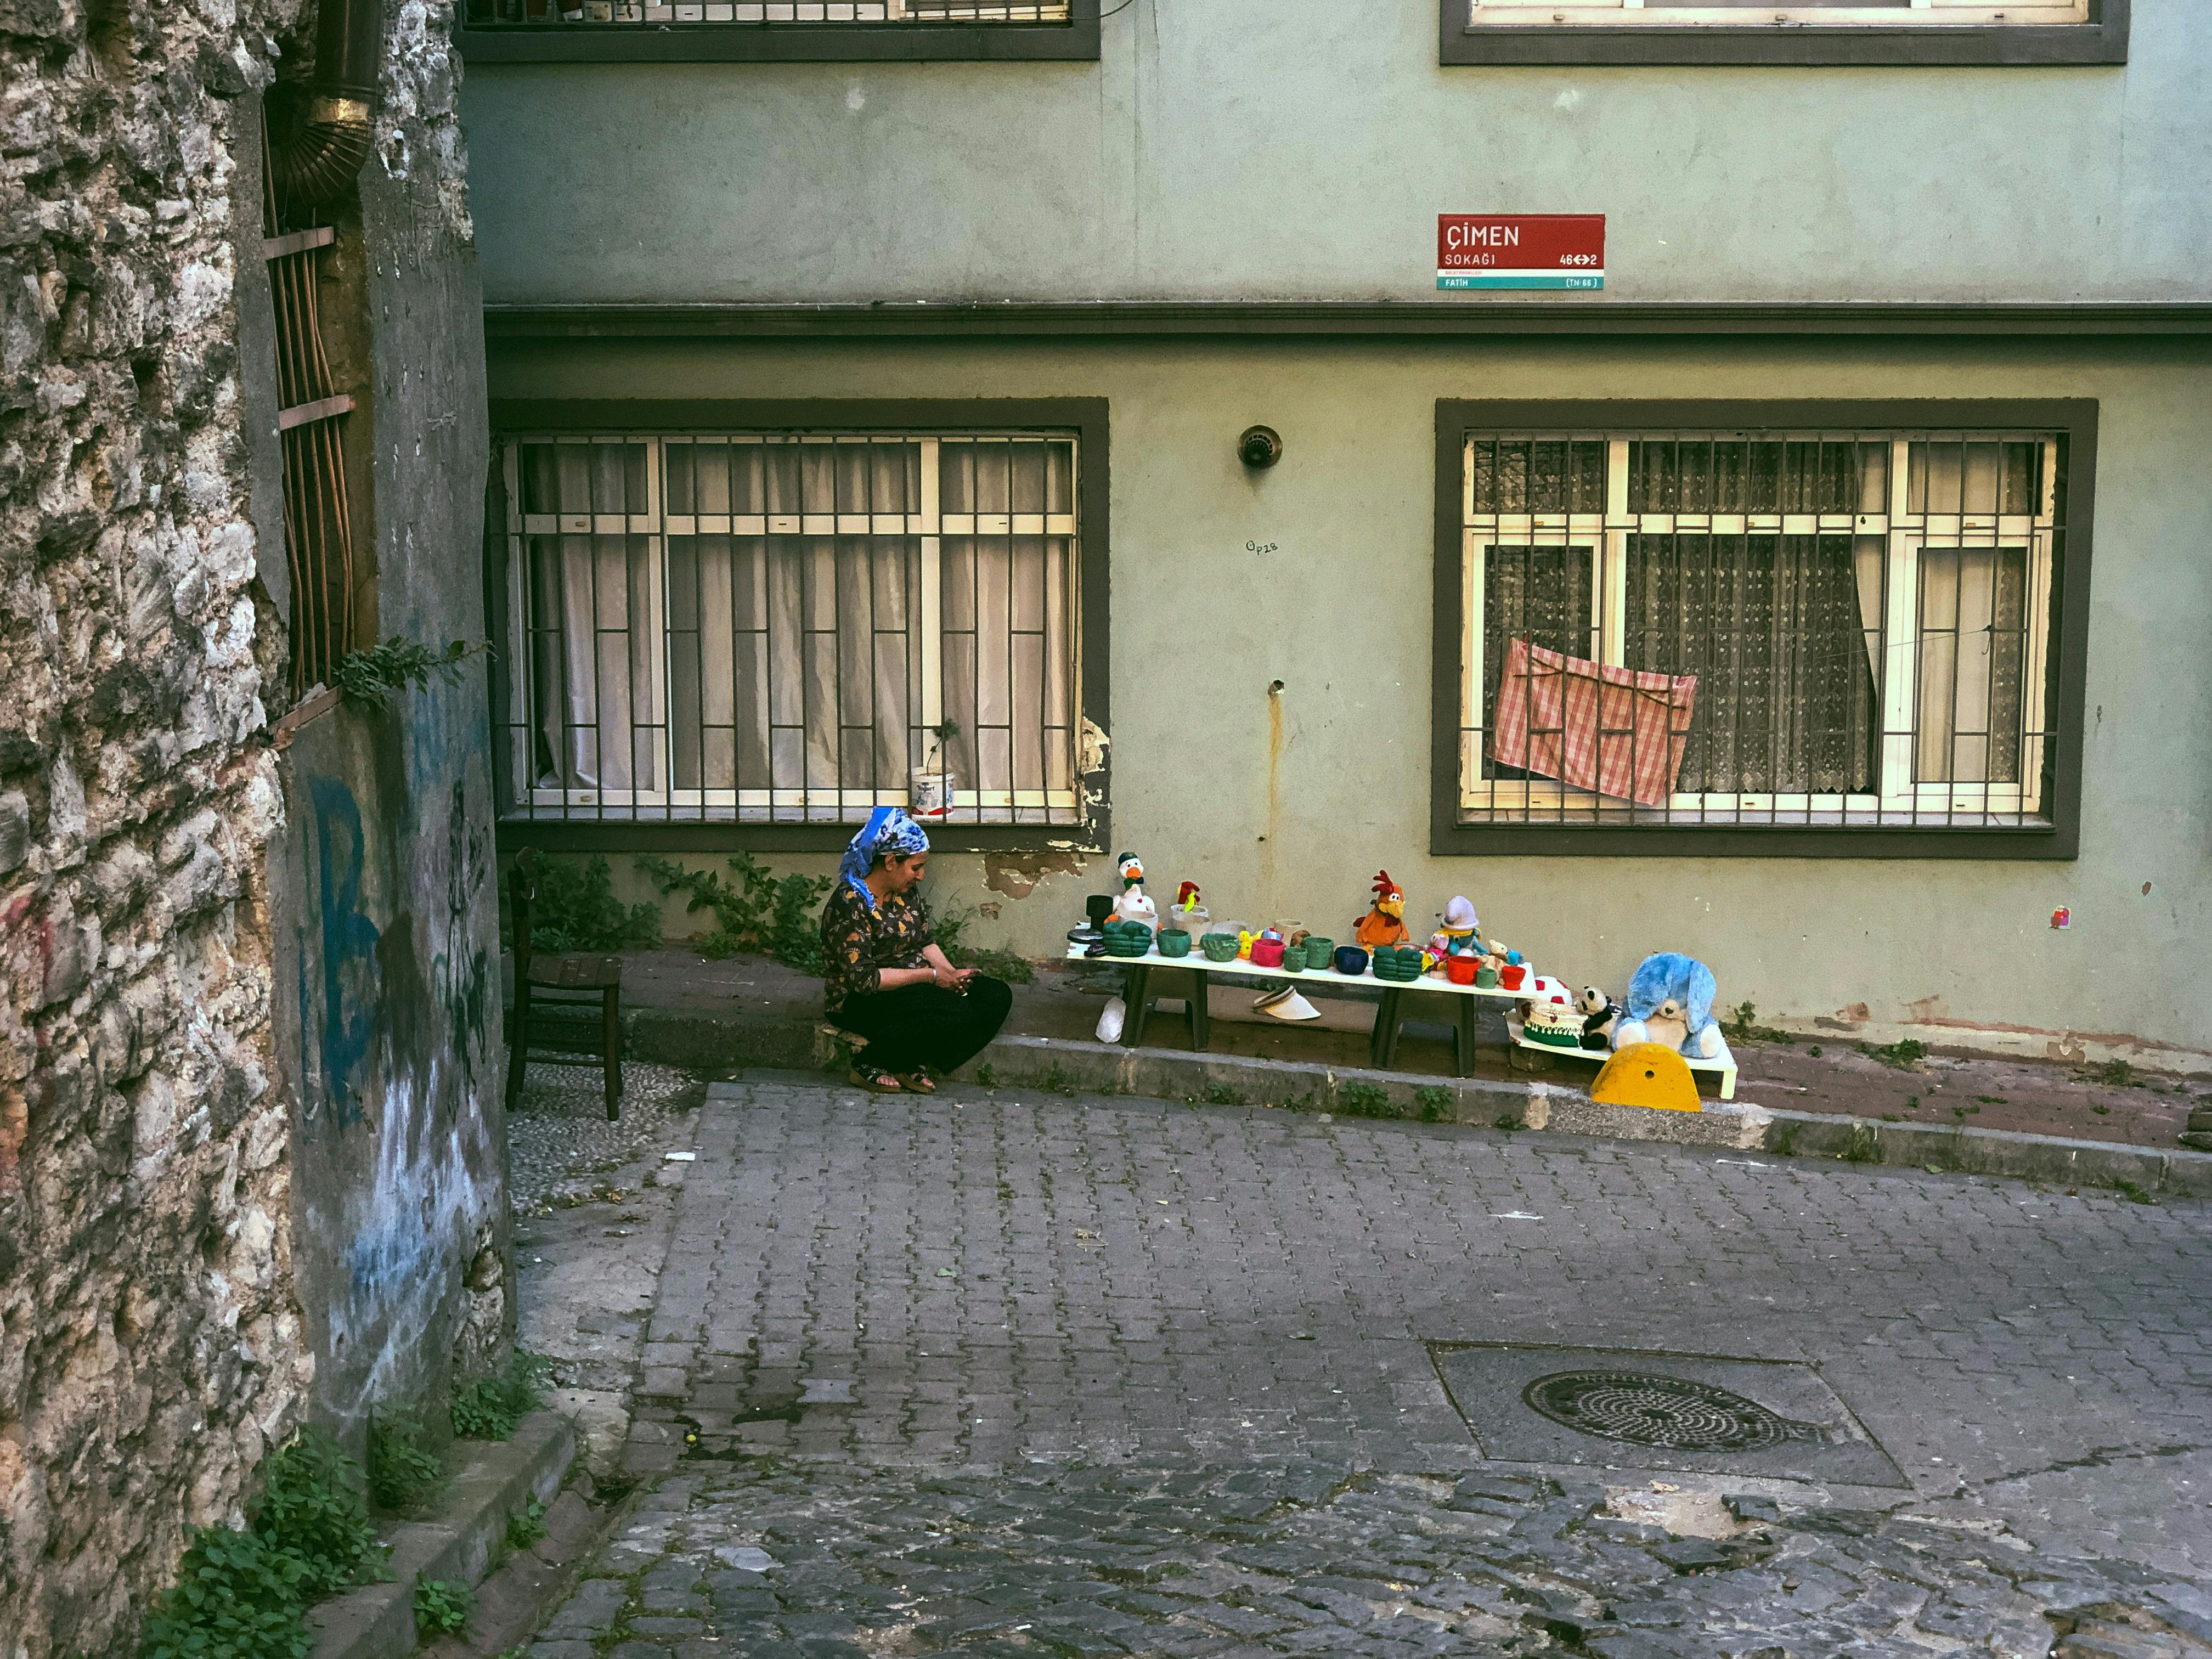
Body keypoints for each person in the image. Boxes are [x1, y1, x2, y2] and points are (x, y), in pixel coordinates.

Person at [820, 806, 1013, 1093]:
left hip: (914, 988)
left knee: (995, 996)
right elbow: (865, 980)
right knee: (952, 1011)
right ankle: (872, 1062)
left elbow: (925, 941)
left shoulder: (906, 894)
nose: (920, 877)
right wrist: (933, 977)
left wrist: (952, 975)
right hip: (860, 1000)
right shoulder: (850, 903)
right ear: (889, 862)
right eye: (916, 868)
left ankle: (909, 1058)